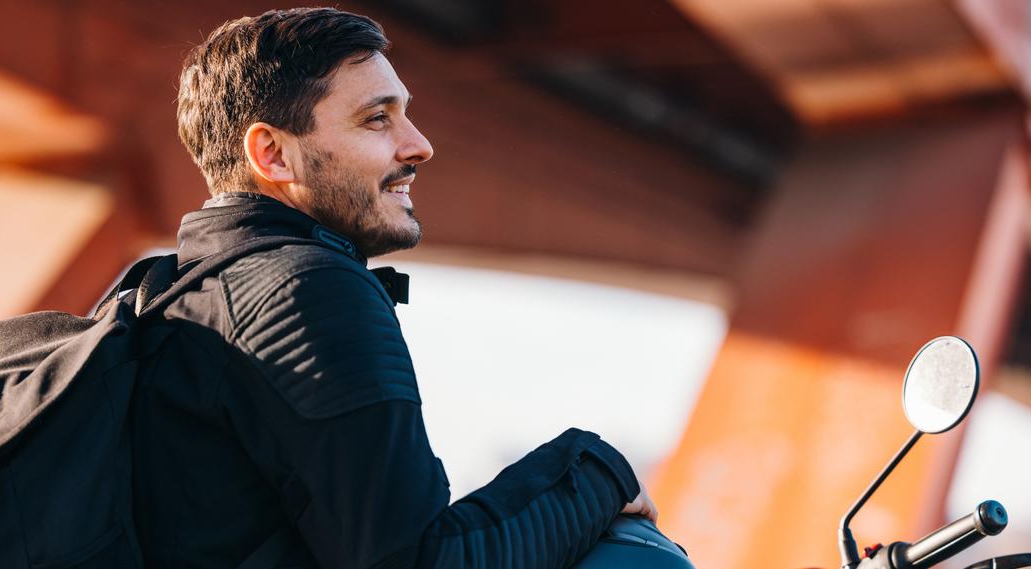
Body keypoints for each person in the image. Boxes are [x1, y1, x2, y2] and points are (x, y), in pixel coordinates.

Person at [134, 7, 657, 568]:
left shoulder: (161, 297)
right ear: (273, 155)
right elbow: (417, 563)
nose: (419, 146)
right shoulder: (307, 290)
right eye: (376, 119)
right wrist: (600, 471)